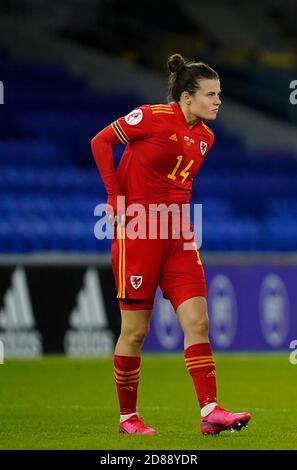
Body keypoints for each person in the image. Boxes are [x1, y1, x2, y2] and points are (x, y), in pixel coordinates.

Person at [91, 53, 251, 435]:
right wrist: (115, 195)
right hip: (138, 234)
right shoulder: (150, 116)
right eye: (210, 94)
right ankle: (127, 418)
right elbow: (100, 142)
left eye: (219, 94)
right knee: (135, 331)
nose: (218, 101)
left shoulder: (206, 138)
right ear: (185, 96)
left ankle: (210, 412)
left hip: (179, 235)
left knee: (198, 321)